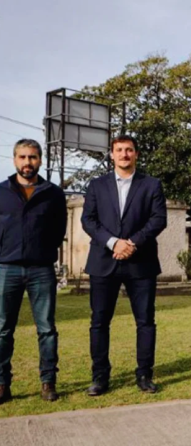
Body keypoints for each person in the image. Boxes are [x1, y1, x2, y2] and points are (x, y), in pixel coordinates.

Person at [81, 135, 167, 396]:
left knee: (145, 322)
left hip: (140, 262)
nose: (124, 154)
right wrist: (113, 243)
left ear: (136, 154)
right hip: (103, 262)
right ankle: (100, 376)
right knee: (99, 322)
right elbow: (88, 220)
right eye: (119, 150)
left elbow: (158, 219)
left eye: (129, 150)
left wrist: (131, 243)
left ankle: (144, 374)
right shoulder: (96, 185)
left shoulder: (151, 185)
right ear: (112, 154)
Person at [0, 139, 67, 404]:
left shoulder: (53, 192)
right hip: (6, 268)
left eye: (33, 157)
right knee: (3, 329)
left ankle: (48, 381)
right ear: (14, 159)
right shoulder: (2, 191)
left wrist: (44, 252)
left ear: (40, 160)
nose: (28, 162)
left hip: (42, 269)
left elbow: (59, 229)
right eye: (23, 157)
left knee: (47, 328)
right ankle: (2, 384)